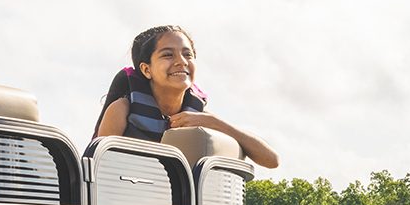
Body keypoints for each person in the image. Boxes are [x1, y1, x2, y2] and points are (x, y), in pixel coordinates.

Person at [91, 25, 279, 168]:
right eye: (168, 55)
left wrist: (215, 122)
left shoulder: (200, 118)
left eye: (187, 54)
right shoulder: (121, 110)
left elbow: (271, 160)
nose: (181, 62)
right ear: (146, 69)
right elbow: (100, 170)